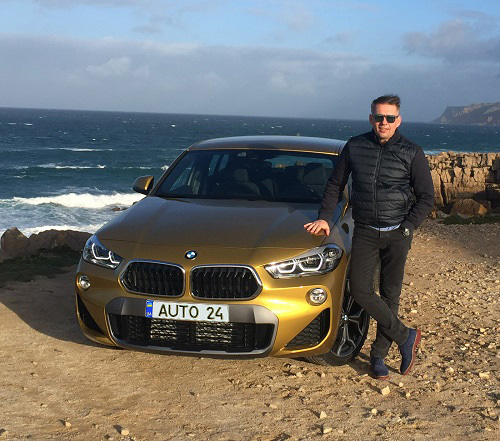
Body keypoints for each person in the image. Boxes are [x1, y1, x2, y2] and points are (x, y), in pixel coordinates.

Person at [304, 94, 434, 379]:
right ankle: (406, 336)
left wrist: (408, 227)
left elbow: (426, 197)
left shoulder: (412, 151)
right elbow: (335, 184)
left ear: (398, 120)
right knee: (360, 289)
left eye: (389, 118)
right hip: (365, 231)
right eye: (378, 117)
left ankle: (378, 356)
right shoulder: (355, 146)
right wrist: (324, 216)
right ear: (371, 118)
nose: (383, 122)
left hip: (397, 234)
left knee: (390, 295)